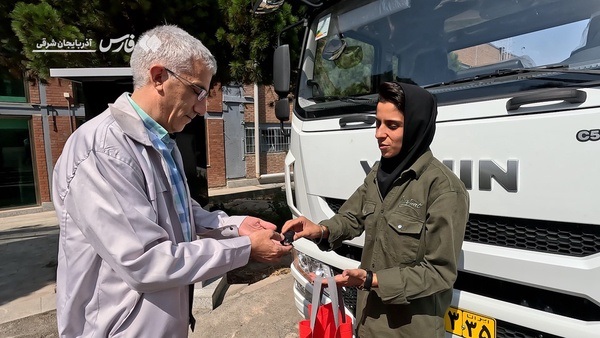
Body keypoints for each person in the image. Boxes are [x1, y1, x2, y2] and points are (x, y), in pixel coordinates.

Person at [52, 25, 292, 338]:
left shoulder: (162, 142)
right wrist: (244, 248)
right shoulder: (104, 151)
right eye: (198, 91)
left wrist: (237, 225)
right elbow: (145, 261)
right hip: (119, 329)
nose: (203, 108)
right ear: (158, 77)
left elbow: (180, 213)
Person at [281, 81, 469, 337]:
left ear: (416, 127)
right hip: (368, 319)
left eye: (392, 125)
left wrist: (372, 280)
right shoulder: (379, 174)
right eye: (378, 123)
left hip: (407, 329)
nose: (379, 133)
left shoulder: (443, 190)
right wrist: (320, 230)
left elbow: (439, 273)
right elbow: (351, 217)